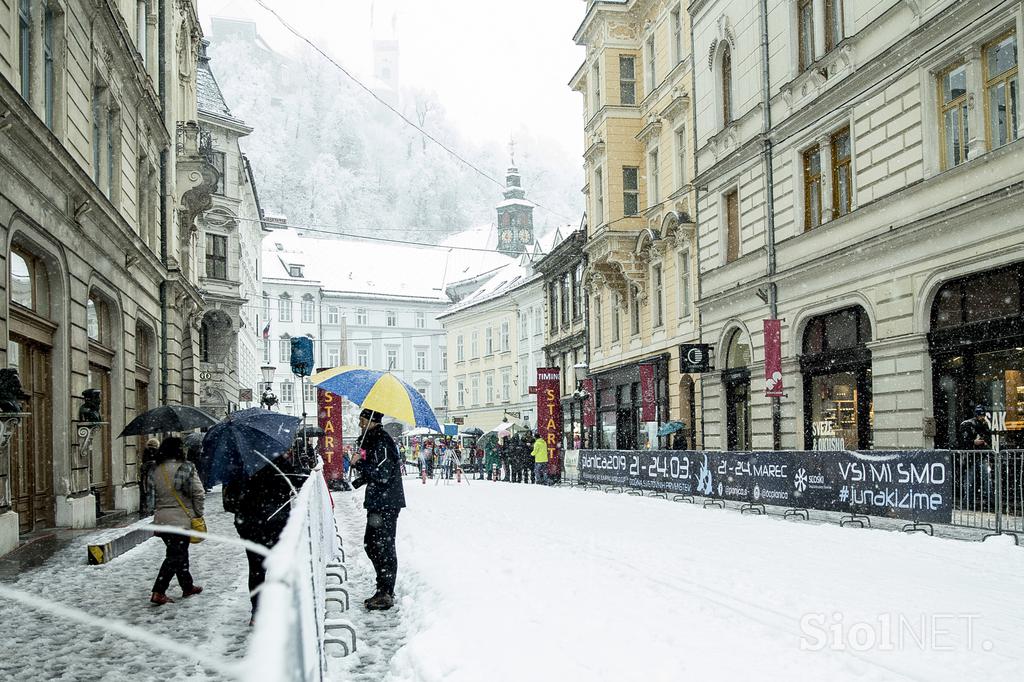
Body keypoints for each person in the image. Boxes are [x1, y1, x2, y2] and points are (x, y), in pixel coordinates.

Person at [224, 451, 302, 620]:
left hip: (249, 523)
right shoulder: (276, 459)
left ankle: (257, 611)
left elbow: (230, 497)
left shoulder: (240, 461)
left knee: (256, 567)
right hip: (275, 520)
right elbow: (294, 481)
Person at [352, 408, 406, 611]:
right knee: (372, 544)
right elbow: (376, 470)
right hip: (378, 502)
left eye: (362, 420)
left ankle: (386, 592)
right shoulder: (373, 440)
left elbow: (382, 474)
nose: (359, 424)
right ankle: (383, 587)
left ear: (371, 422)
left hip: (386, 503)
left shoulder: (382, 441)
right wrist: (359, 477)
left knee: (382, 546)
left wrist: (360, 465)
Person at [147, 437, 205, 605]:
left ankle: (187, 586)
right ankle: (159, 591)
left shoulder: (155, 469)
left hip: (162, 520)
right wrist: (198, 513)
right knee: (175, 556)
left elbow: (150, 499)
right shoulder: (187, 467)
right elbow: (198, 493)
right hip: (182, 519)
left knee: (179, 553)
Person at [958, 405, 993, 510]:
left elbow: (987, 439)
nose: (982, 417)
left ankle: (986, 501)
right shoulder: (968, 424)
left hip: (978, 456)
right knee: (971, 481)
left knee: (984, 479)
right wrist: (974, 442)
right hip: (972, 457)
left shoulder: (982, 425)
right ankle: (968, 502)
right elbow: (963, 442)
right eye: (981, 415)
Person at [139, 437, 160, 515]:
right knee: (155, 491)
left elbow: (144, 462)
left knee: (147, 492)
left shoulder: (146, 451)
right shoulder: (158, 452)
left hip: (146, 475)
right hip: (156, 474)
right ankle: (154, 507)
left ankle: (147, 508)